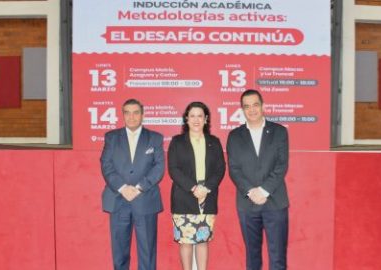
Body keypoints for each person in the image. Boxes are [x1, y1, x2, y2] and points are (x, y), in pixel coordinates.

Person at [227, 89, 290, 270]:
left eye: (255, 105)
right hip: (247, 205)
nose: (252, 110)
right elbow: (234, 169)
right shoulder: (234, 136)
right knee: (252, 257)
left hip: (275, 202)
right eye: (247, 106)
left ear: (263, 106)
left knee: (278, 257)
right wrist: (251, 192)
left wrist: (263, 191)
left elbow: (281, 165)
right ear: (242, 110)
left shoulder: (279, 132)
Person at [100, 99, 165, 270]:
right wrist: (122, 188)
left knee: (147, 251)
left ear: (142, 115)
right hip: (118, 200)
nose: (132, 116)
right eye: (127, 112)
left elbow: (159, 167)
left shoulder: (155, 138)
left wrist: (137, 188)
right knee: (119, 251)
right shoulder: (112, 137)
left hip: (145, 199)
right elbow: (106, 165)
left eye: (136, 112)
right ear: (123, 115)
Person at [168, 101, 226, 270]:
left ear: (206, 119)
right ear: (186, 119)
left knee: (202, 241)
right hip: (184, 195)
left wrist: (206, 188)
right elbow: (173, 168)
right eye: (192, 115)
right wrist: (193, 188)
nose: (196, 119)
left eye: (200, 116)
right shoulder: (177, 141)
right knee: (185, 242)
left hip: (207, 196)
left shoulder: (214, 141)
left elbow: (220, 168)